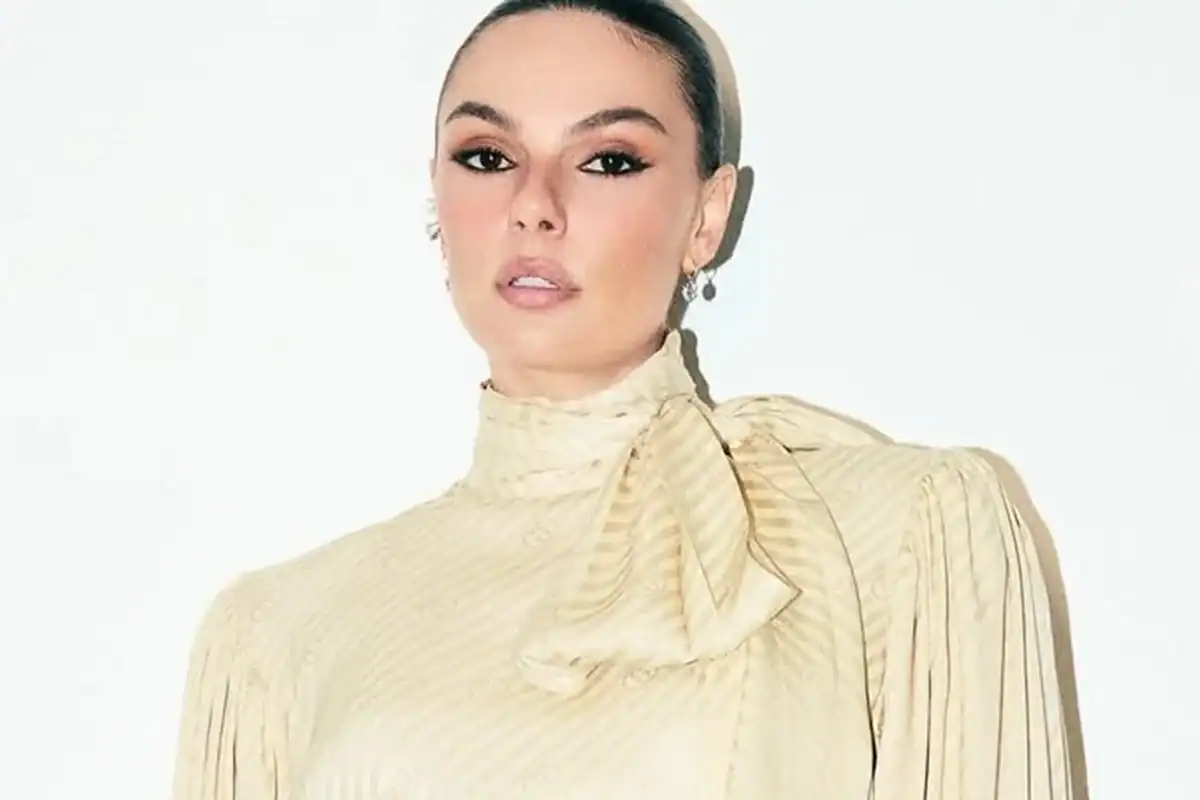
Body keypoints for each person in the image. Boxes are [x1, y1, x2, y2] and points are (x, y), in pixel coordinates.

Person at [171, 1, 1074, 797]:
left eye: (607, 160)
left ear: (706, 217)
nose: (534, 205)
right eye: (487, 156)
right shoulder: (275, 634)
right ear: (437, 199)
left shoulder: (899, 531)